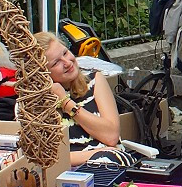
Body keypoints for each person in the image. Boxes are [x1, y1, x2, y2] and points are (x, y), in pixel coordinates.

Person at [33, 32, 124, 167]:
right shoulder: (33, 105)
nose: (67, 62)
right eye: (56, 62)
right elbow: (45, 159)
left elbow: (111, 136)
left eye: (65, 53)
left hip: (109, 166)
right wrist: (98, 153)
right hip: (68, 174)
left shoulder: (95, 81)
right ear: (43, 74)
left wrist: (66, 103)